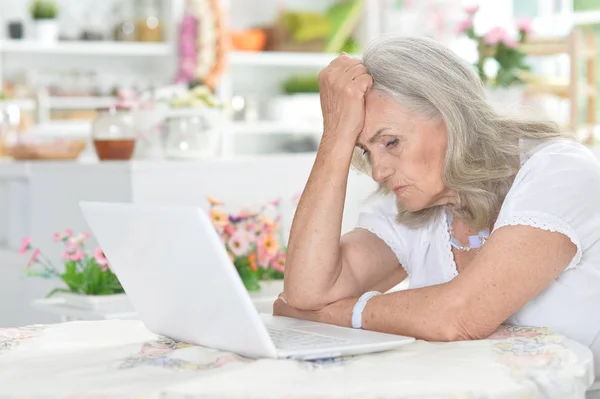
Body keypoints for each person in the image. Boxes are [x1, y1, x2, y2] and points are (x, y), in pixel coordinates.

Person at [273, 36, 600, 385]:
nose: (379, 171)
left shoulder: (559, 172)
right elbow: (306, 292)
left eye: (391, 142)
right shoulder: (415, 201)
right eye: (366, 151)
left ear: (451, 115)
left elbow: (461, 316)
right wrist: (335, 136)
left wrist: (336, 313)